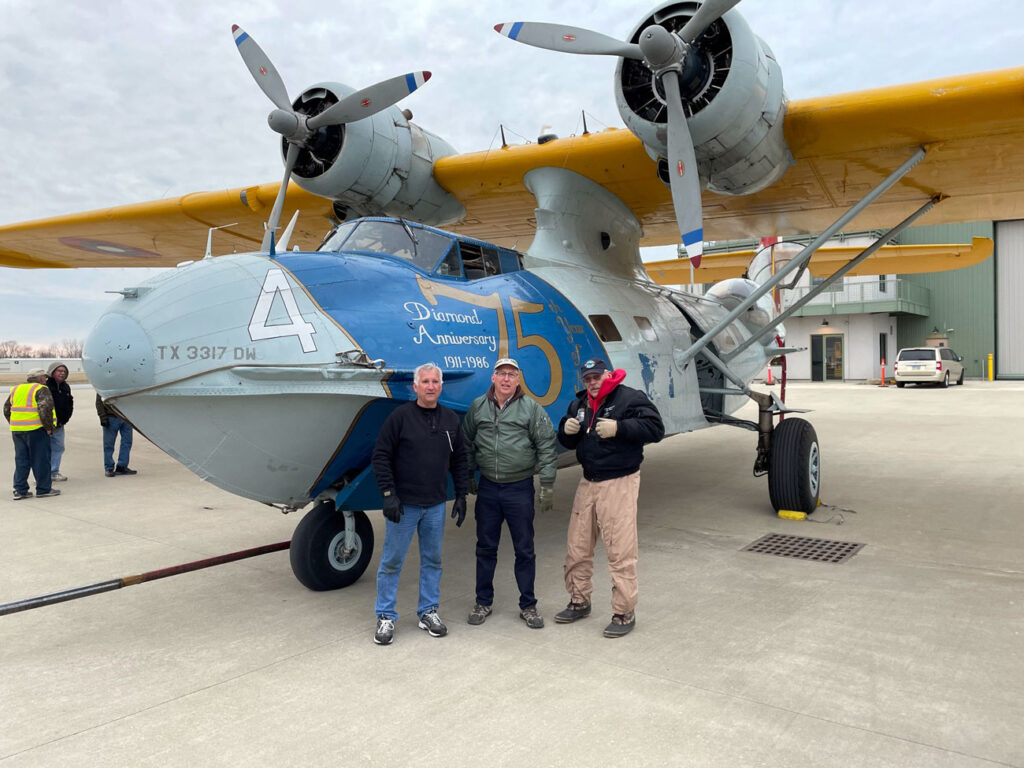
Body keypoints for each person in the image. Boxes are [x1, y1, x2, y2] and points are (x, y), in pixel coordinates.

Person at [555, 357, 664, 638]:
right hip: (588, 480)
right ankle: (579, 600)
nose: (592, 383)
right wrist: (565, 431)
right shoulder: (579, 404)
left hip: (619, 481)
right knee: (577, 545)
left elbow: (655, 428)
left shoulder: (629, 398)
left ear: (608, 375)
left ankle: (623, 611)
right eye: (587, 379)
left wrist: (621, 428)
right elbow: (570, 441)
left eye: (596, 377)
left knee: (620, 550)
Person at [370, 362, 469, 645]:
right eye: (424, 382)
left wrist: (461, 494)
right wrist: (388, 494)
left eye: (435, 382)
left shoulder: (450, 419)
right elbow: (381, 456)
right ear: (415, 387)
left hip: (435, 505)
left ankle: (428, 611)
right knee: (391, 562)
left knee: (433, 560)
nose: (430, 386)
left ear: (441, 386)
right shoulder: (400, 417)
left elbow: (460, 459)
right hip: (405, 506)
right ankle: (385, 616)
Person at [461, 357, 557, 629]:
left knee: (524, 549)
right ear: (493, 378)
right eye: (501, 373)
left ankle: (528, 605)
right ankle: (483, 601)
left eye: (511, 374)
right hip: (489, 488)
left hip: (519, 488)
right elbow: (466, 441)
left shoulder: (531, 409)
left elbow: (547, 447)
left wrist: (547, 485)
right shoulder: (478, 407)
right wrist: (469, 474)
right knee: (485, 548)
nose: (506, 379)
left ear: (518, 379)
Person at [4, 369, 61, 499]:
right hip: (36, 430)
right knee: (41, 459)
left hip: (17, 430)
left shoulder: (16, 389)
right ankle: (43, 489)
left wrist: (15, 423)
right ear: (40, 378)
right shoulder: (41, 389)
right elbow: (45, 409)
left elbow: (6, 409)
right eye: (44, 377)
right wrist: (49, 427)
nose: (46, 380)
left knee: (21, 460)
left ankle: (20, 490)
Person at [45, 361, 74, 482]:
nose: (62, 373)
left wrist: (66, 417)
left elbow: (69, 402)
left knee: (58, 448)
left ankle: (54, 472)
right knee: (45, 449)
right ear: (52, 372)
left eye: (64, 371)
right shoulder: (45, 387)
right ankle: (43, 474)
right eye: (59, 371)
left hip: (60, 425)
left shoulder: (65, 387)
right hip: (46, 425)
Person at [96, 394, 137, 477]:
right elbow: (99, 402)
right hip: (111, 417)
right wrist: (103, 417)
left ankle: (122, 466)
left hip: (126, 417)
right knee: (109, 444)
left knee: (127, 442)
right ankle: (109, 468)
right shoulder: (104, 383)